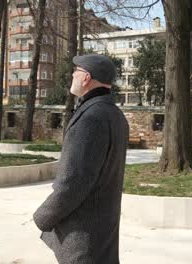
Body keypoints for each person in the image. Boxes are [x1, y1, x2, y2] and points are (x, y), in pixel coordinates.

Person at [33, 54, 129, 264]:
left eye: (75, 71)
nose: (72, 75)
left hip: (84, 234)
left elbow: (74, 182)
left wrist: (43, 216)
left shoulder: (91, 118)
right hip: (103, 228)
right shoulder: (115, 115)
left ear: (86, 78)